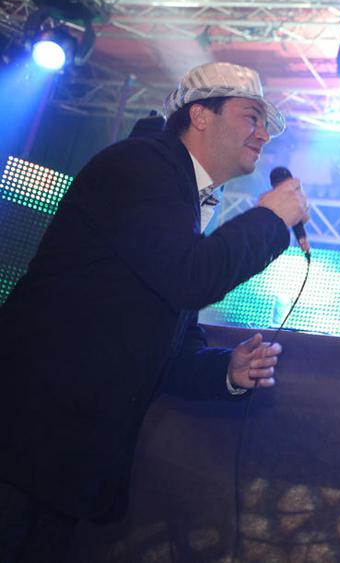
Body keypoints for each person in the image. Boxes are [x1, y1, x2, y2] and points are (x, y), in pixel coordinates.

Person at [0, 62, 309, 562]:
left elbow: (166, 344)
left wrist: (226, 371)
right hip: (20, 440)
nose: (263, 134)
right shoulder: (140, 166)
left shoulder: (186, 199)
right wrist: (270, 220)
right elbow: (192, 276)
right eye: (251, 116)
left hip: (61, 465)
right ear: (200, 115)